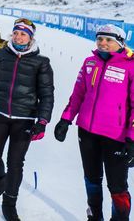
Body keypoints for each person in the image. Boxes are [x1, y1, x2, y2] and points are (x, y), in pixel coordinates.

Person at [0, 18, 55, 221]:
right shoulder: (0, 55)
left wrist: (43, 121)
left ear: (30, 37)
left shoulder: (41, 63)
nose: (18, 37)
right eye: (16, 33)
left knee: (15, 163)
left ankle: (9, 203)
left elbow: (47, 94)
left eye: (23, 34)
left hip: (25, 119)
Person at [54, 24, 134, 221]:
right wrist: (66, 118)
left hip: (116, 136)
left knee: (117, 186)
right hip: (87, 132)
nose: (103, 43)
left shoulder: (131, 66)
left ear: (120, 42)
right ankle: (94, 215)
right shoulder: (90, 62)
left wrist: (132, 137)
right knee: (91, 179)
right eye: (100, 39)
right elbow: (78, 93)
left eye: (109, 40)